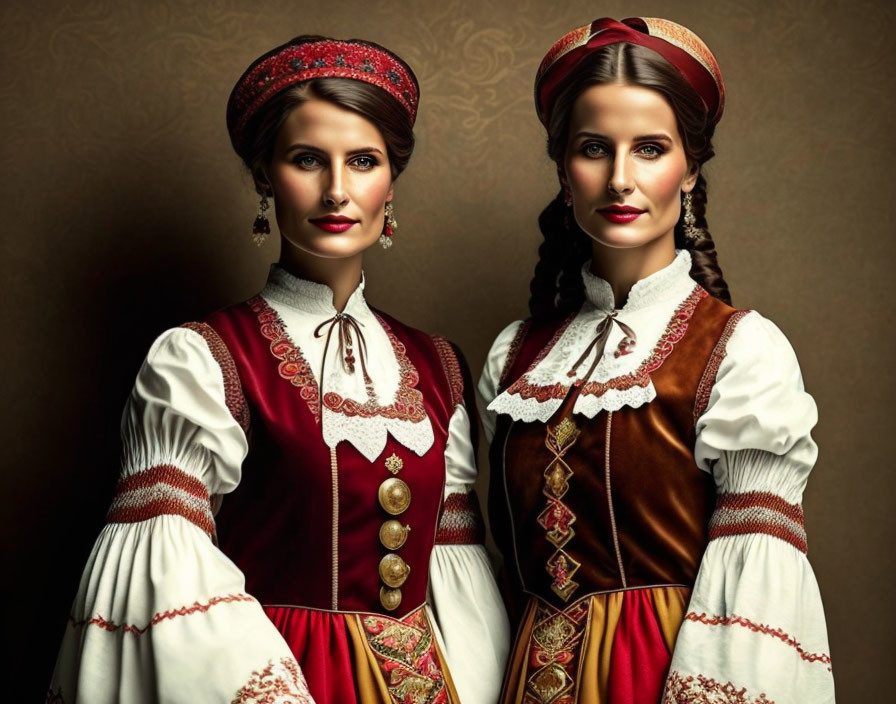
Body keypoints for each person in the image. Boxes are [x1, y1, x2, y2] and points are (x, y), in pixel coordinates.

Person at [49, 35, 509, 704]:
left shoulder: (437, 367)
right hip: (278, 679)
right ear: (265, 175)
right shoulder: (202, 358)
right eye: (306, 161)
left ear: (390, 181)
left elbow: (456, 578)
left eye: (363, 161)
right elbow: (167, 570)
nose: (337, 190)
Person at [477, 17, 834, 704]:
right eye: (593, 149)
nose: (619, 179)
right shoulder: (513, 358)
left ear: (690, 167)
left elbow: (758, 594)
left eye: (649, 148)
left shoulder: (740, 352)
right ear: (563, 168)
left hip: (666, 679)